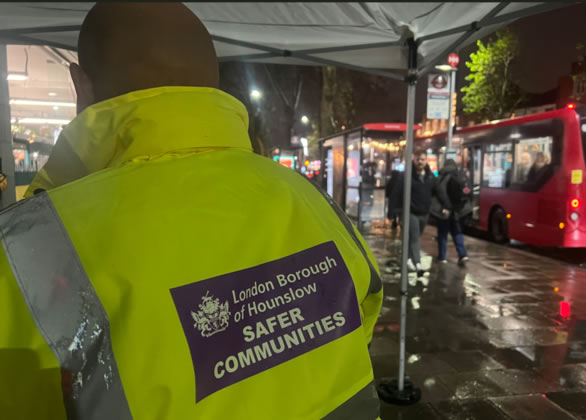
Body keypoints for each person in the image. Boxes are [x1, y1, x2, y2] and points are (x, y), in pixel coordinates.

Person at [0, 4, 383, 419]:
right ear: (211, 87)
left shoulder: (26, 251)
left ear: (80, 83)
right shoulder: (309, 198)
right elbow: (366, 308)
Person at [392, 150, 435, 274]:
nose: (420, 162)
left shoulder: (430, 176)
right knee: (415, 238)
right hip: (411, 212)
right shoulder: (407, 175)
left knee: (414, 238)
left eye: (422, 159)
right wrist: (394, 212)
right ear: (414, 160)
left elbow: (436, 191)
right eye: (418, 159)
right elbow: (397, 193)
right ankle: (418, 264)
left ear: (426, 160)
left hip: (424, 213)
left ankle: (408, 259)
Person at [431, 158, 471, 266]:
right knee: (457, 232)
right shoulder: (460, 175)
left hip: (445, 211)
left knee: (442, 234)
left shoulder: (441, 177)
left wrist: (447, 206)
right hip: (458, 211)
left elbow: (440, 193)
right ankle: (462, 255)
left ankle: (442, 257)